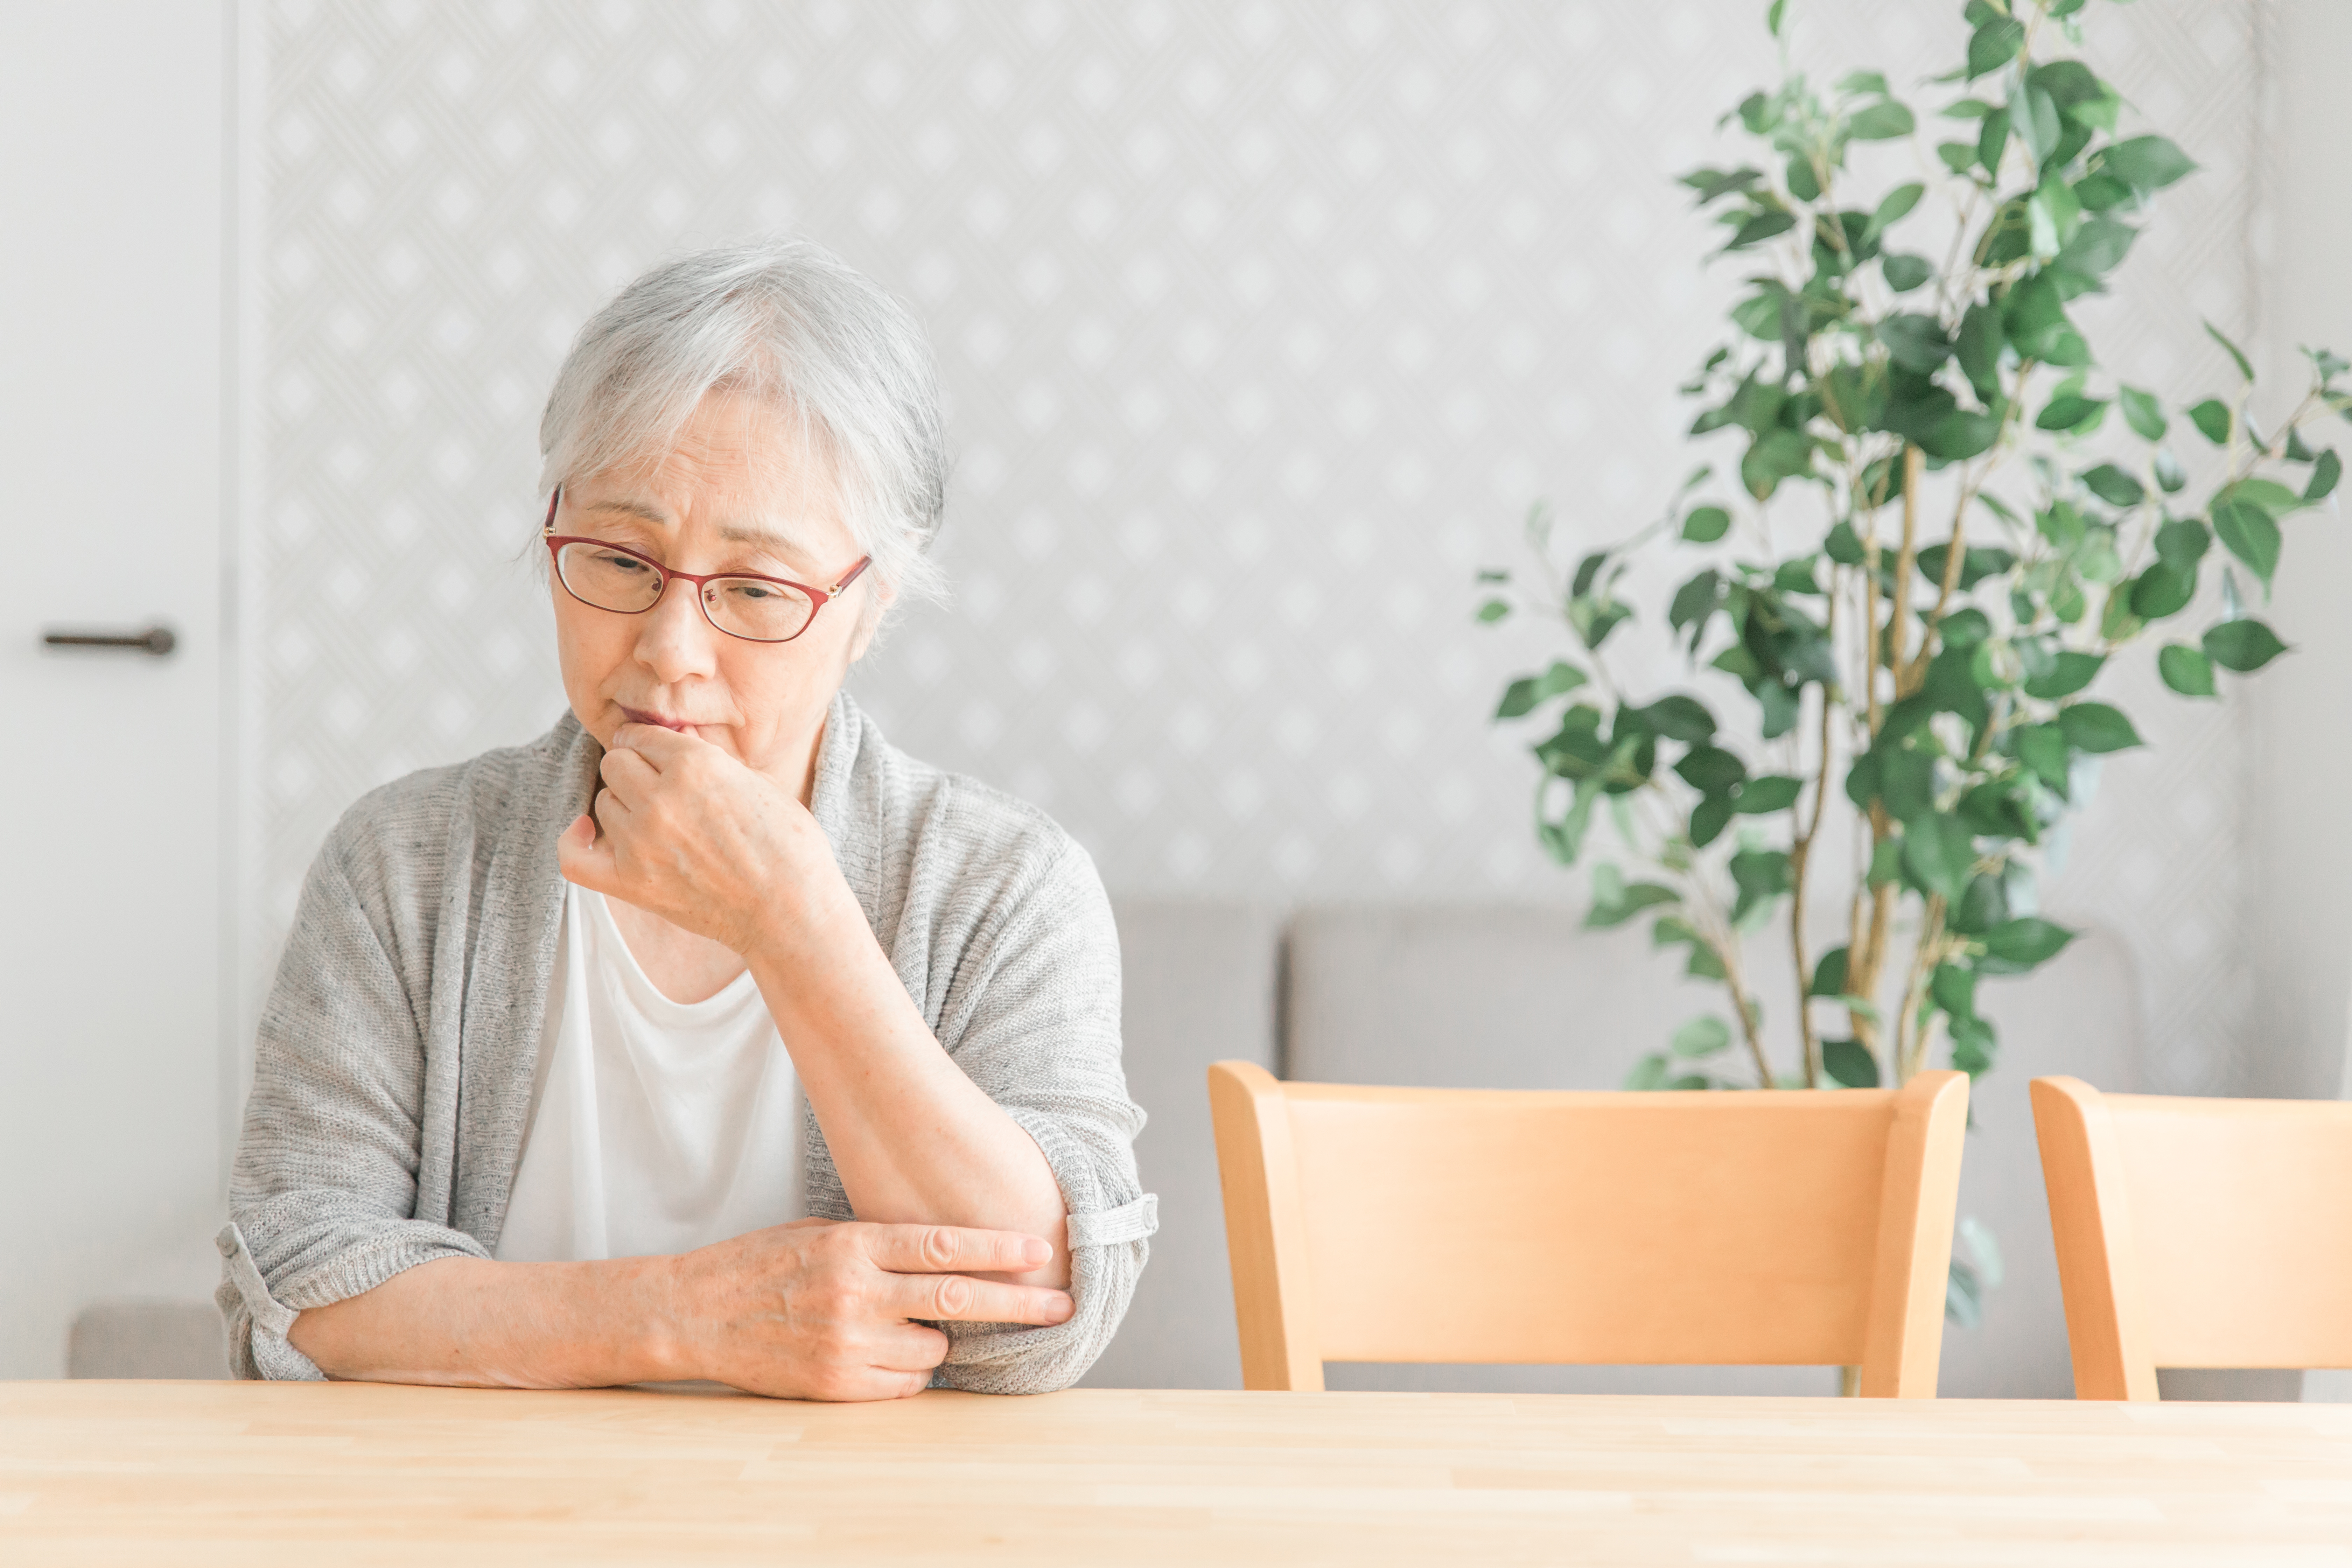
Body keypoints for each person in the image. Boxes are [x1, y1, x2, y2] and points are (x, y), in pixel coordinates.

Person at [217, 237, 1154, 1399]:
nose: (668, 655)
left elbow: (1040, 1319)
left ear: (872, 604)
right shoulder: (405, 864)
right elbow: (293, 1281)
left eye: (757, 590)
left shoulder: (1006, 886)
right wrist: (680, 1319)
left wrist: (793, 921)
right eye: (619, 558)